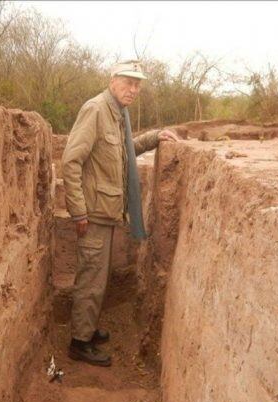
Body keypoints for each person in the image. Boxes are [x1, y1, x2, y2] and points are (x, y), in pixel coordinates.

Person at [61, 60, 180, 367]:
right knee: (91, 277)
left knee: (98, 275)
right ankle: (79, 343)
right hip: (93, 213)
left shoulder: (118, 114)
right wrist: (78, 212)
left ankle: (86, 329)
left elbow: (124, 151)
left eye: (138, 84)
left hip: (105, 211)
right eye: (128, 82)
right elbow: (71, 161)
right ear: (113, 80)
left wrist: (155, 137)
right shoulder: (96, 110)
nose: (133, 89)